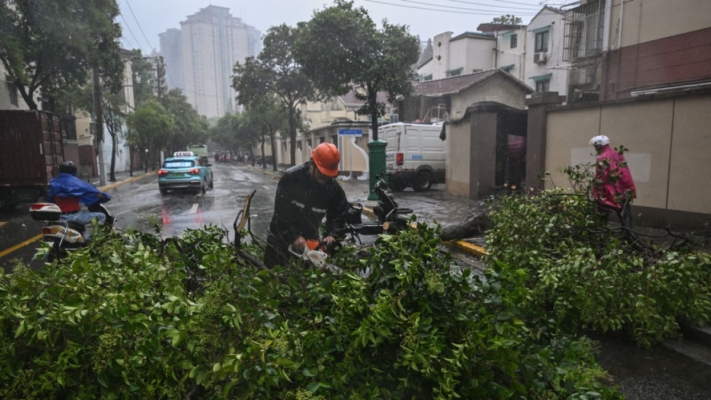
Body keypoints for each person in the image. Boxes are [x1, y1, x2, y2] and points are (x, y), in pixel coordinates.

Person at [264, 142, 349, 268]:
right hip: (280, 237)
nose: (325, 178)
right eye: (322, 173)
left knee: (306, 281)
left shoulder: (334, 189)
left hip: (310, 242)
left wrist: (333, 234)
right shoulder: (291, 178)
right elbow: (282, 213)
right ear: (311, 164)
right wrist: (294, 235)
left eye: (329, 175)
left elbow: (339, 214)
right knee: (274, 277)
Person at [46, 161, 112, 240]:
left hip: (59, 217)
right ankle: (90, 241)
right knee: (101, 216)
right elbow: (91, 191)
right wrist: (103, 196)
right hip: (74, 216)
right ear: (73, 171)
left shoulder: (53, 183)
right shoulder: (77, 182)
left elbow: (50, 198)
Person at [589, 135, 636, 227]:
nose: (595, 149)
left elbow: (601, 177)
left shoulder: (601, 158)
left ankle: (601, 233)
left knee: (602, 212)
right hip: (623, 188)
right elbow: (625, 173)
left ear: (599, 146)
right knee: (625, 214)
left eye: (595, 147)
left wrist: (597, 192)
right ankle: (629, 236)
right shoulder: (618, 154)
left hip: (610, 191)